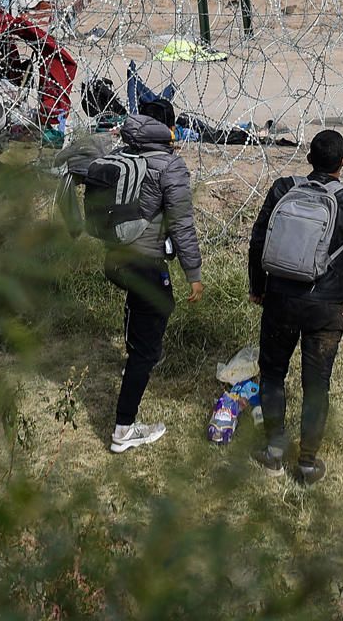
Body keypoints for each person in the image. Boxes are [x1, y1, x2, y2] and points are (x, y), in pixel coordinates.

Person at [247, 129, 343, 485]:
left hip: (280, 301)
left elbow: (258, 239)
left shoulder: (281, 189)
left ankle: (274, 450)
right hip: (325, 309)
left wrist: (258, 287)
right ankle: (306, 464)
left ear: (308, 160)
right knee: (316, 384)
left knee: (273, 373)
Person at [103, 106, 204, 453]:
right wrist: (194, 272)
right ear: (169, 128)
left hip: (116, 259)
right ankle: (124, 431)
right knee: (150, 339)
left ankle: (134, 356)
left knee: (143, 309)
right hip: (145, 263)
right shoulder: (169, 165)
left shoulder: (122, 153)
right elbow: (180, 223)